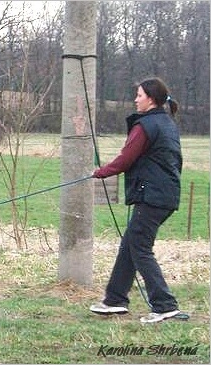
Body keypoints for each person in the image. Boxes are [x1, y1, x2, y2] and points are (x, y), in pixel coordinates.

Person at [89, 77, 183, 323]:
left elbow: (125, 159)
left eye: (139, 95)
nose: (135, 99)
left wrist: (100, 172)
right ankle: (115, 300)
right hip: (164, 194)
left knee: (140, 247)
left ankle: (164, 304)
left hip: (151, 196)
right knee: (130, 245)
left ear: (150, 99)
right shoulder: (167, 123)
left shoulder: (146, 126)